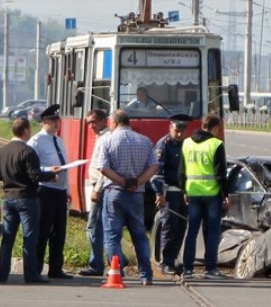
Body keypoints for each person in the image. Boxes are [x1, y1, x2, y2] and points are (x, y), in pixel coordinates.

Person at [96, 110, 159, 286]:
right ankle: (146, 275)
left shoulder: (108, 140)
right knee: (139, 235)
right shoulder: (144, 140)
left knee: (112, 235)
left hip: (114, 194)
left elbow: (103, 167)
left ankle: (117, 271)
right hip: (137, 195)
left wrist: (123, 181)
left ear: (114, 123)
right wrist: (137, 182)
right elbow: (154, 166)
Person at [0, 117, 61, 284]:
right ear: (25, 131)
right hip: (26, 198)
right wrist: (51, 175)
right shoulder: (27, 151)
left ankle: (2, 274)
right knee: (30, 238)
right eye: (29, 129)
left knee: (7, 238)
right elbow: (35, 176)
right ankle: (31, 274)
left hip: (9, 198)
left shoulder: (3, 151)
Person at [179, 114, 231, 281]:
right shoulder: (216, 144)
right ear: (215, 128)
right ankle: (210, 268)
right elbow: (220, 173)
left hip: (193, 193)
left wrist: (184, 191)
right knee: (212, 233)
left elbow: (182, 171)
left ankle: (187, 268)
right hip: (212, 195)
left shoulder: (187, 143)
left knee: (192, 231)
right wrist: (226, 194)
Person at [27, 103, 73, 279]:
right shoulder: (36, 141)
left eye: (57, 120)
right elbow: (33, 167)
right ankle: (36, 268)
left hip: (60, 190)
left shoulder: (59, 140)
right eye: (53, 121)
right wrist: (48, 170)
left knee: (59, 232)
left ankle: (56, 268)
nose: (56, 124)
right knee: (43, 230)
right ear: (44, 122)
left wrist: (67, 188)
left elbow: (64, 165)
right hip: (45, 191)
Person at [151, 117, 189, 276]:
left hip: (184, 192)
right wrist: (159, 193)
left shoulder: (187, 144)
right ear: (170, 128)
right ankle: (165, 262)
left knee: (181, 227)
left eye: (182, 131)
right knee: (168, 227)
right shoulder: (164, 145)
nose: (179, 134)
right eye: (176, 130)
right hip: (169, 192)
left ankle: (173, 258)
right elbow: (157, 172)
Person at [78, 109, 111, 277]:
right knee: (106, 226)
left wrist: (97, 189)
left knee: (94, 226)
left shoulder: (105, 138)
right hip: (102, 187)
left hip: (101, 188)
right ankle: (118, 257)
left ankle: (96, 264)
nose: (90, 126)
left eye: (93, 122)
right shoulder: (101, 137)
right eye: (89, 123)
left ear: (103, 121)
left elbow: (105, 168)